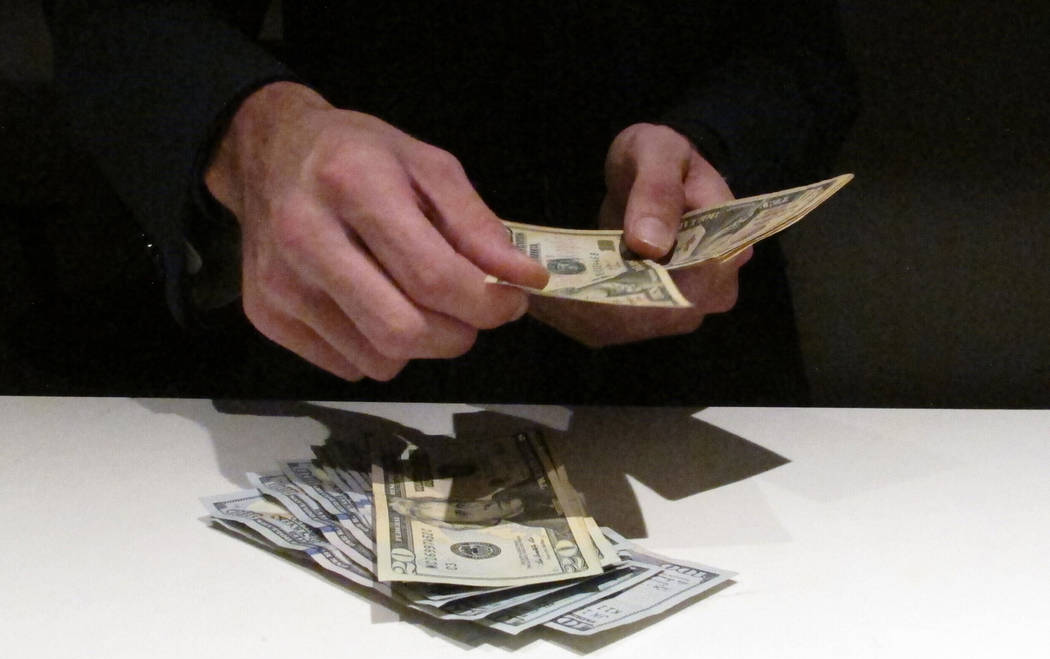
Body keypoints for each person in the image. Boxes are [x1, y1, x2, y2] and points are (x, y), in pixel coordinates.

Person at [41, 1, 858, 404]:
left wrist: (710, 146)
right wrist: (258, 134)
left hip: (694, 375)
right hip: (343, 321)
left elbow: (803, 45)